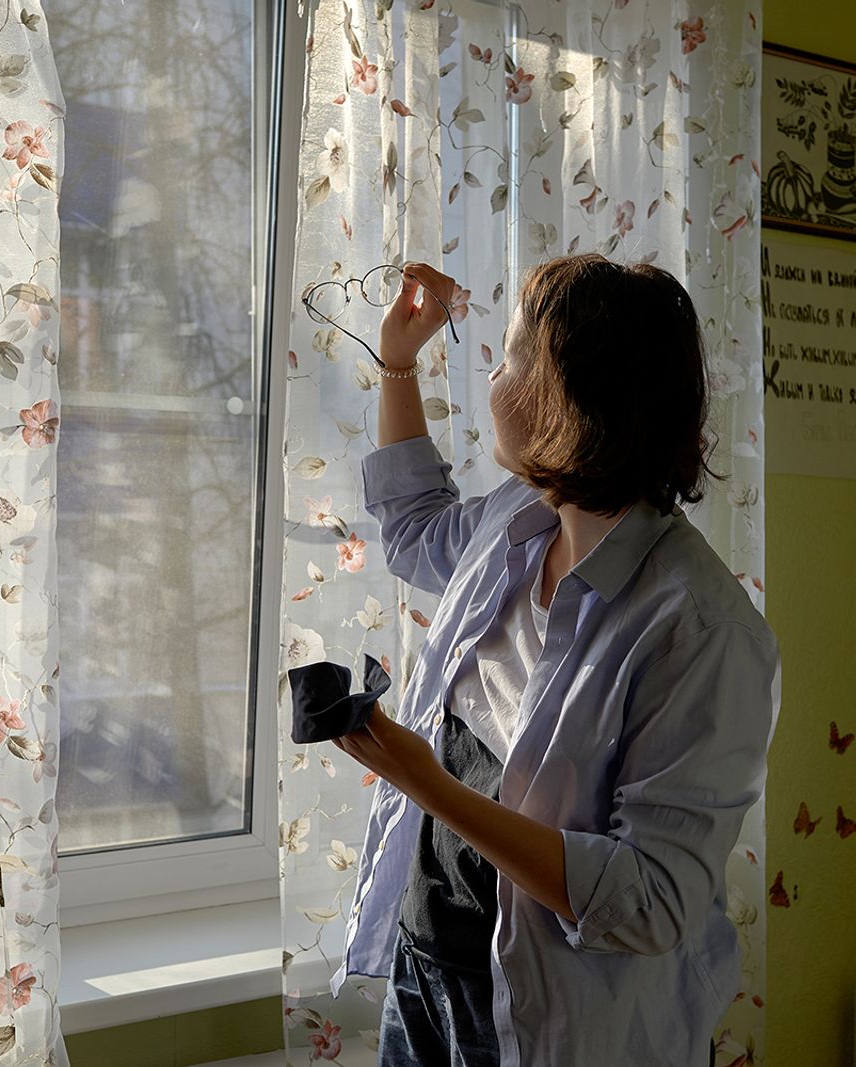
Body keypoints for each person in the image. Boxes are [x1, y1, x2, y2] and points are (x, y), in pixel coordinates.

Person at [327, 254, 780, 1067]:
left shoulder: (700, 631)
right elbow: (415, 529)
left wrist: (428, 783)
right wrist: (399, 362)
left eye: (508, 358)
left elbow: (650, 898)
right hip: (428, 966)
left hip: (559, 1024)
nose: (493, 380)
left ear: (567, 398)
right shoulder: (520, 516)